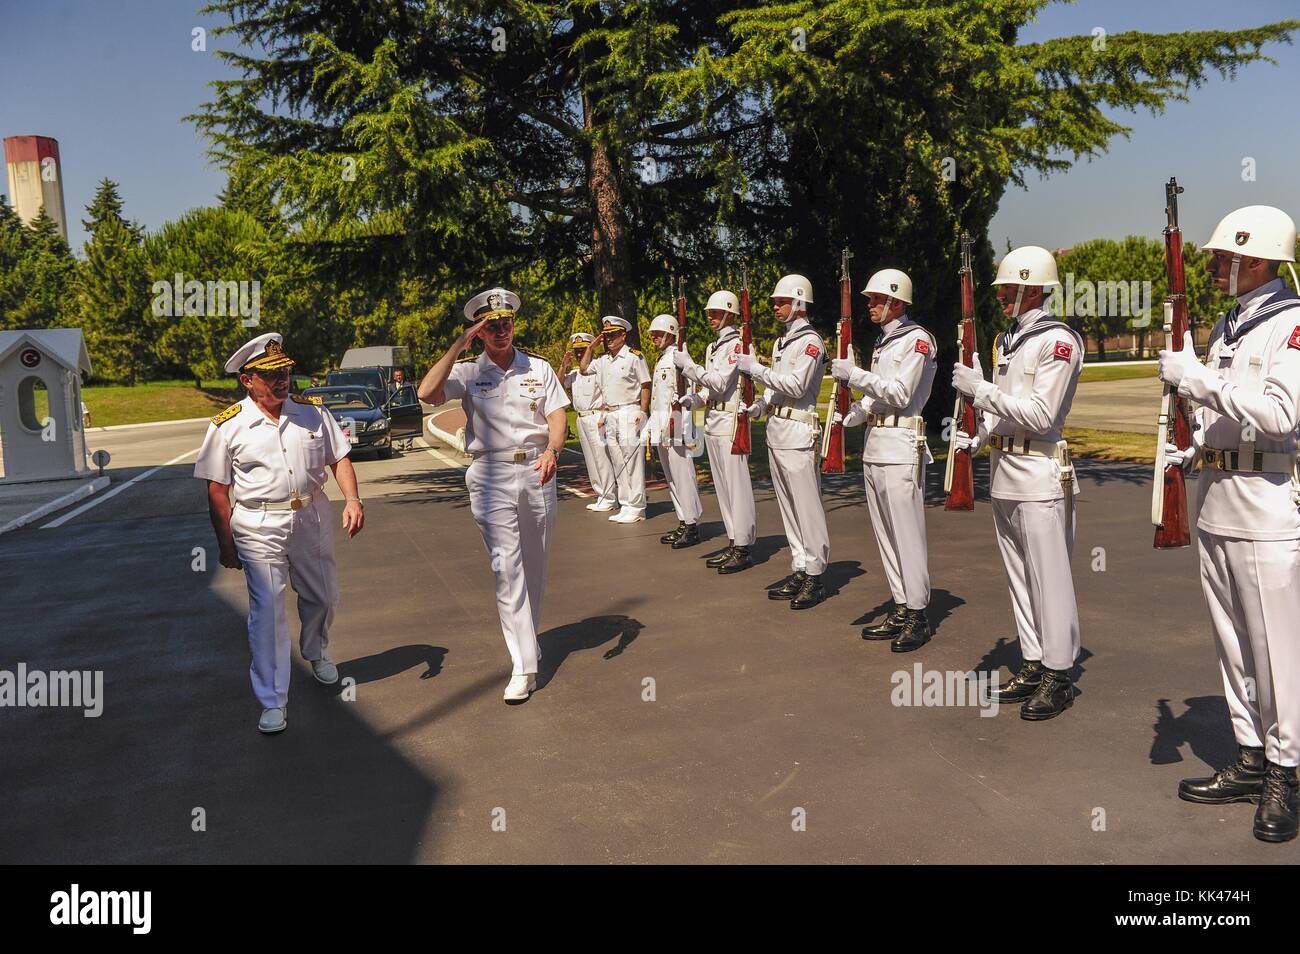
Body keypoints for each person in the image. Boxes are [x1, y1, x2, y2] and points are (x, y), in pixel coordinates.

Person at [1157, 205, 1300, 843]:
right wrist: (1195, 451)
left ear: (1259, 260)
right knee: (1234, 647)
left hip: (1266, 507)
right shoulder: (1230, 326)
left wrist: (1200, 383)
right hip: (1220, 498)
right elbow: (1232, 423)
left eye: (1224, 257)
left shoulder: (1291, 325)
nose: (1214, 265)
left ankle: (1286, 771)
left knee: (1276, 653)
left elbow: (1280, 417)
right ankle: (1250, 754)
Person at [193, 332, 365, 734]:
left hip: (311, 517)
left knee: (323, 595)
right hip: (257, 523)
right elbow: (217, 488)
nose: (282, 380)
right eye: (270, 374)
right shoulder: (227, 426)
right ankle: (272, 699)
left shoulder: (311, 412)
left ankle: (316, 650)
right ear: (247, 380)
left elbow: (339, 458)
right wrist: (225, 541)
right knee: (268, 611)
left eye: (285, 371)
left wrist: (353, 500)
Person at [417, 288, 569, 703]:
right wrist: (457, 345)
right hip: (490, 473)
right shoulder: (467, 372)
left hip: (538, 468)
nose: (501, 331)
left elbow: (557, 418)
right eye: (490, 326)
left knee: (535, 564)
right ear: (480, 332)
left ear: (514, 324)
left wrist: (553, 451)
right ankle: (523, 664)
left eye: (506, 323)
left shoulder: (538, 367)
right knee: (507, 566)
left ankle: (528, 640)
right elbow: (427, 393)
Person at [951, 245, 1083, 721]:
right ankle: (1033, 660)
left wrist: (979, 390)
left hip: (1040, 474)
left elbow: (1041, 414)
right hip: (1005, 471)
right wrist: (978, 435)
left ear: (1031, 287)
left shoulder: (1058, 341)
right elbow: (1006, 410)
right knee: (1021, 579)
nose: (1001, 296)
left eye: (1008, 288)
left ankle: (1058, 673)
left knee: (1049, 579)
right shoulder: (1008, 339)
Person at [830, 268, 937, 651]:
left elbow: (901, 393)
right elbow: (879, 396)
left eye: (876, 299)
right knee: (886, 535)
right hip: (877, 443)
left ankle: (918, 614)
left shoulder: (917, 340)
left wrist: (855, 375)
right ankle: (901, 603)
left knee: (906, 535)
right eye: (869, 299)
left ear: (897, 301)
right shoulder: (884, 342)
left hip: (900, 443)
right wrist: (858, 412)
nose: (870, 305)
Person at [736, 274, 830, 609]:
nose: (776, 307)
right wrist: (761, 404)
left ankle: (816, 574)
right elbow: (777, 391)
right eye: (775, 302)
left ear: (800, 303)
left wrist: (756, 369)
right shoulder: (782, 342)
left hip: (799, 433)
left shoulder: (811, 343)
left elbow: (797, 386)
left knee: (806, 507)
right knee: (789, 508)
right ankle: (801, 566)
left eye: (782, 302)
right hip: (778, 430)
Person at [673, 289, 757, 573]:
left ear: (731, 315)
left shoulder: (738, 346)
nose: (710, 317)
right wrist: (694, 399)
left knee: (736, 486)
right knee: (722, 486)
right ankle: (734, 539)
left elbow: (721, 383)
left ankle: (743, 545)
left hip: (731, 421)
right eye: (709, 312)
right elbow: (710, 391)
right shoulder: (714, 347)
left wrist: (690, 368)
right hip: (713, 419)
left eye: (716, 313)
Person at [578, 315, 651, 523]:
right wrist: (591, 347)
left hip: (629, 410)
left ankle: (637, 506)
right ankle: (626, 504)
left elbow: (645, 385)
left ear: (623, 335)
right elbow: (583, 369)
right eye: (606, 335)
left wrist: (643, 412)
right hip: (610, 414)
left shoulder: (634, 357)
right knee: (618, 461)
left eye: (613, 335)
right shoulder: (602, 361)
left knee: (632, 461)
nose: (609, 339)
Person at [647, 313, 703, 548]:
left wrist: (681, 427)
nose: (654, 338)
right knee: (672, 478)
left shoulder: (680, 359)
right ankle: (682, 520)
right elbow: (659, 399)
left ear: (671, 333)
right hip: (663, 427)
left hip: (677, 427)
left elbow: (685, 395)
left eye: (659, 334)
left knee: (683, 477)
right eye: (653, 335)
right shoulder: (663, 359)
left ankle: (691, 525)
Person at [560, 332, 616, 512]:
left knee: (602, 458)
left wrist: (604, 417)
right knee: (591, 459)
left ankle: (610, 496)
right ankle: (601, 494)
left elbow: (608, 394)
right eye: (576, 351)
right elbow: (558, 384)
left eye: (583, 350)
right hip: (581, 418)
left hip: (596, 416)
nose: (579, 354)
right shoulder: (575, 373)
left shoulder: (599, 369)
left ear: (591, 349)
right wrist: (563, 366)